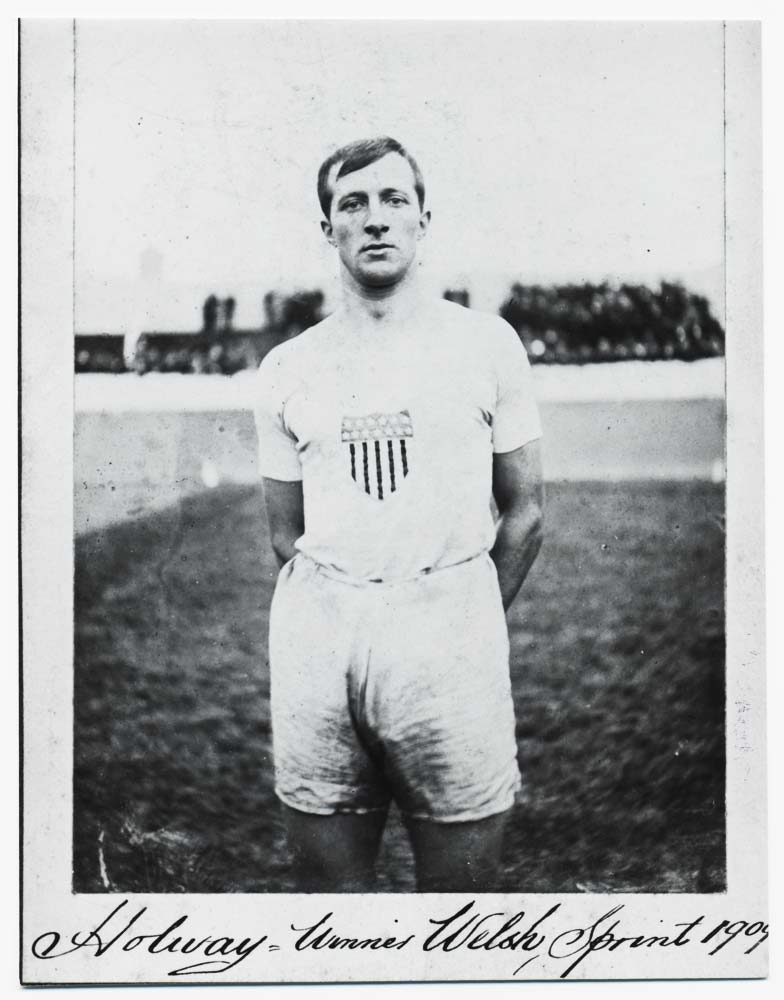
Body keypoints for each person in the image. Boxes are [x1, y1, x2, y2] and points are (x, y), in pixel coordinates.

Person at [253, 136, 544, 892]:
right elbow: (286, 534)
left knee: (461, 909)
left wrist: (464, 620)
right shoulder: (287, 367)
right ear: (329, 229)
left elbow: (525, 513)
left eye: (393, 199)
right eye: (353, 203)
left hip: (450, 643)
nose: (376, 218)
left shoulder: (487, 344)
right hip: (322, 651)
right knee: (331, 909)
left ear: (423, 219)